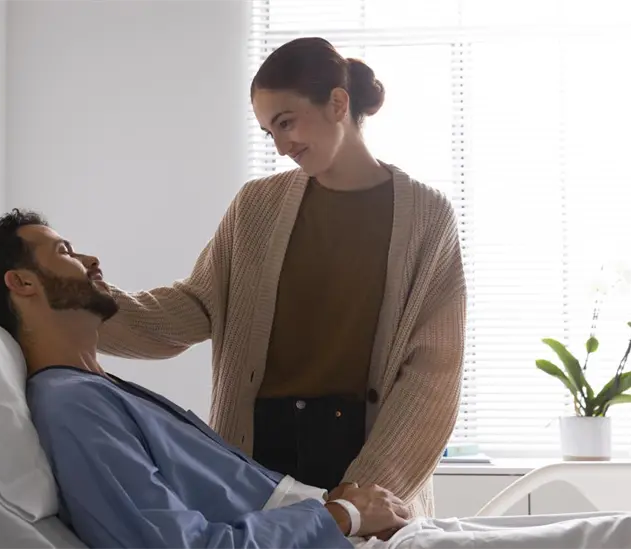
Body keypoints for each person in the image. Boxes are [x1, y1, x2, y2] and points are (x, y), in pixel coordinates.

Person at [0, 210, 631, 549]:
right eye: (64, 251)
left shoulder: (93, 392)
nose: (90, 257)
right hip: (336, 537)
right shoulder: (71, 408)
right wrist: (342, 516)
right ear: (22, 283)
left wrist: (358, 510)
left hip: (353, 531)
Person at [94, 36, 466, 517]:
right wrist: (81, 306)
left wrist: (364, 492)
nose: (281, 146)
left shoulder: (428, 217)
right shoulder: (257, 206)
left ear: (337, 102)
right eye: (270, 132)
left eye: (286, 123)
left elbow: (433, 375)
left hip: (362, 453)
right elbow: (194, 307)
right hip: (257, 456)